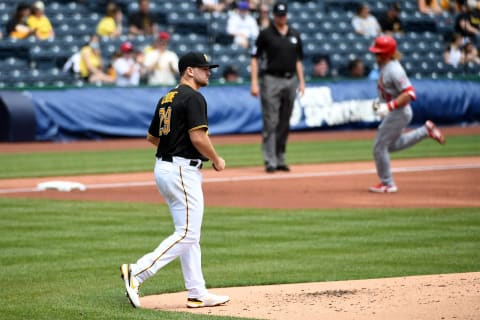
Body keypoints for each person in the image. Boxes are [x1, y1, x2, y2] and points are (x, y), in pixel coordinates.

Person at [120, 51, 230, 309]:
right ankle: (138, 271)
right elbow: (199, 138)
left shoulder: (167, 97)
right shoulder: (194, 97)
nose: (209, 71)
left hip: (165, 167)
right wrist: (216, 158)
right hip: (181, 170)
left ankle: (197, 292)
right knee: (188, 233)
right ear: (189, 71)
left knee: (189, 233)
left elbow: (153, 137)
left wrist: (175, 145)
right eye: (204, 68)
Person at [368, 35, 446, 193]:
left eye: (378, 52)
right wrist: (380, 104)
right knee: (391, 146)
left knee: (379, 147)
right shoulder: (385, 67)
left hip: (399, 112)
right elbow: (388, 92)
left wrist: (389, 106)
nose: (375, 55)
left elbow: (410, 94)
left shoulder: (395, 70)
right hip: (396, 112)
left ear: (386, 54)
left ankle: (388, 183)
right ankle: (425, 131)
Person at [250, 2, 305, 173]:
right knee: (271, 120)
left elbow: (298, 60)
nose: (282, 17)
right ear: (274, 15)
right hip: (271, 79)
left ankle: (280, 158)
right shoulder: (265, 34)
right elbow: (254, 57)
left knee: (285, 121)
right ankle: (270, 160)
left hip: (291, 79)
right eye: (279, 15)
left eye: (284, 15)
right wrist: (253, 82)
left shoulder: (294, 34)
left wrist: (302, 81)